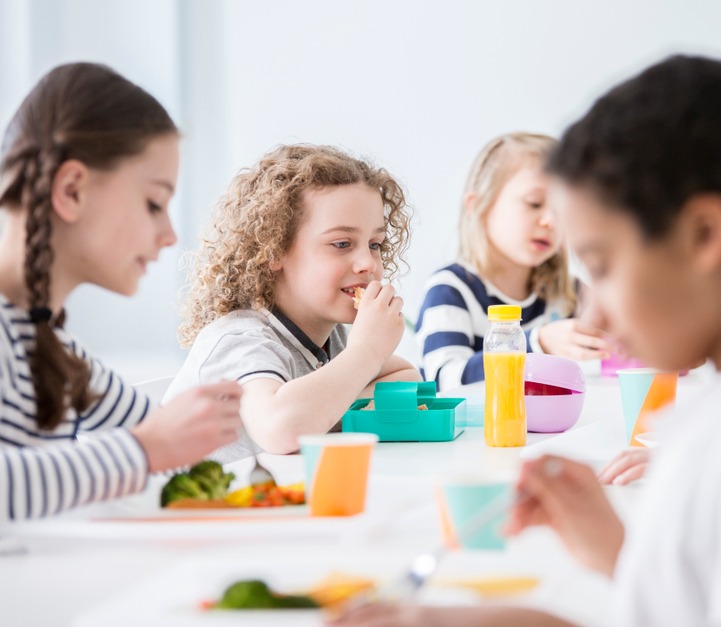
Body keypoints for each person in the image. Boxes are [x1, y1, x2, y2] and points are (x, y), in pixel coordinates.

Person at [327, 55, 721, 627]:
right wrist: (618, 550)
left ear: (704, 235)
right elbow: (715, 625)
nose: (594, 317)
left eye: (604, 266)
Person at [0, 63, 242, 522]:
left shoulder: (55, 351)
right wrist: (143, 451)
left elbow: (157, 425)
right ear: (71, 190)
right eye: (154, 203)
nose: (170, 234)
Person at [165, 144, 419, 463]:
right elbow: (281, 430)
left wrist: (330, 407)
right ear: (273, 251)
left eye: (375, 244)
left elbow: (408, 377)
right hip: (200, 508)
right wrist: (366, 353)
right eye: (341, 244)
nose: (368, 263)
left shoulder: (335, 338)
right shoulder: (237, 341)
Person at [415, 132, 606, 391]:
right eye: (534, 203)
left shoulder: (569, 293)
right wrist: (535, 344)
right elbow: (442, 381)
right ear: (478, 205)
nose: (551, 220)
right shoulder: (450, 290)